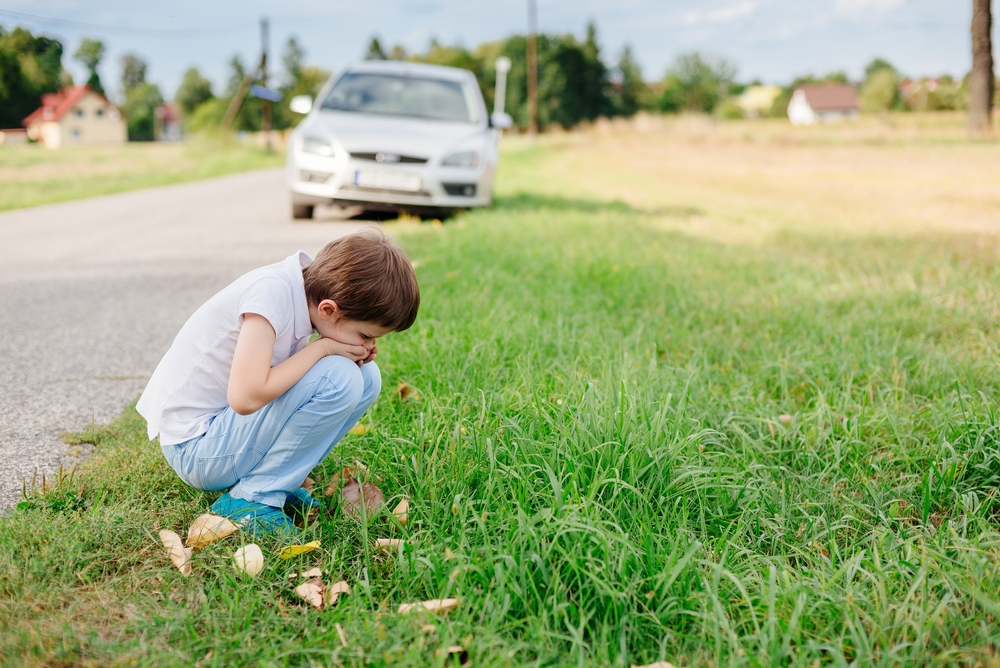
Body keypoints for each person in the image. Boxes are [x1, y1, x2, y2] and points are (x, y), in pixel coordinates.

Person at [137, 230, 419, 537]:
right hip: (196, 451)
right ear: (328, 310)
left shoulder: (305, 292)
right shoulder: (271, 295)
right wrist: (322, 348)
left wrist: (347, 351)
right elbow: (244, 398)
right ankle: (252, 498)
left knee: (366, 377)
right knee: (339, 377)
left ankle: (277, 482)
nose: (369, 343)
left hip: (224, 438)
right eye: (365, 335)